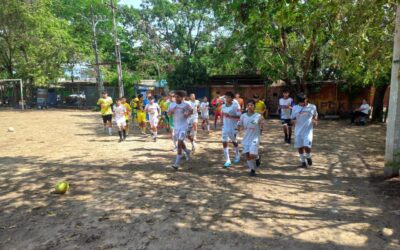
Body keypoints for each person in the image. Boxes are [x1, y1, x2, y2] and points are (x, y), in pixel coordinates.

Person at [237, 100, 264, 176]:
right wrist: (238, 128)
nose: (250, 106)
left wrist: (261, 127)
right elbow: (239, 124)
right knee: (247, 155)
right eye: (248, 105)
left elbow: (255, 123)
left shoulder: (257, 115)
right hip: (246, 138)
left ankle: (258, 157)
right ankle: (252, 169)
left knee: (252, 154)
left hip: (255, 137)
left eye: (251, 105)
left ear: (254, 106)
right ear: (246, 106)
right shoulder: (243, 116)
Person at [168, 90, 193, 169]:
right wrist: (171, 111)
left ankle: (177, 164)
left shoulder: (186, 105)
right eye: (175, 97)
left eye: (178, 97)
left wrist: (187, 114)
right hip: (176, 127)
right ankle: (187, 151)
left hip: (184, 126)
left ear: (182, 98)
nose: (176, 98)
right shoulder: (172, 105)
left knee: (179, 143)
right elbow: (168, 114)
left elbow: (191, 110)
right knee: (181, 142)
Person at [291, 93, 318, 168]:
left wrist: (315, 120)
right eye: (301, 102)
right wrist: (293, 121)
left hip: (308, 131)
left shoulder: (312, 107)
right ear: (298, 102)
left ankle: (308, 156)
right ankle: (303, 162)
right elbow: (292, 118)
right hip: (298, 131)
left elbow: (315, 115)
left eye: (304, 101)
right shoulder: (295, 108)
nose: (302, 103)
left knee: (307, 146)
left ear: (306, 99)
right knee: (300, 147)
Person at [221, 91, 242, 168]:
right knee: (224, 142)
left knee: (234, 141)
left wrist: (229, 115)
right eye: (226, 97)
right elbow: (222, 114)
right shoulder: (223, 106)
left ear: (232, 98)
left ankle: (237, 154)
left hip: (233, 127)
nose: (226, 98)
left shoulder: (235, 106)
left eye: (228, 97)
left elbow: (239, 117)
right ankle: (227, 160)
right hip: (225, 127)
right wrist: (222, 122)